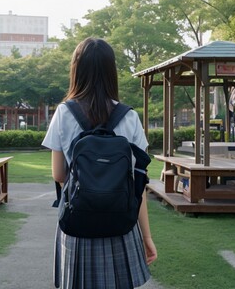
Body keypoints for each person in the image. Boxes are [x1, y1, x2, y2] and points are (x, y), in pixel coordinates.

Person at [42, 37, 157, 289]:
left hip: (78, 223)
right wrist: (146, 236)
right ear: (111, 71)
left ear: (77, 69)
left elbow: (59, 174)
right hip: (120, 225)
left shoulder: (64, 113)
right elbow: (138, 185)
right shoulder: (129, 117)